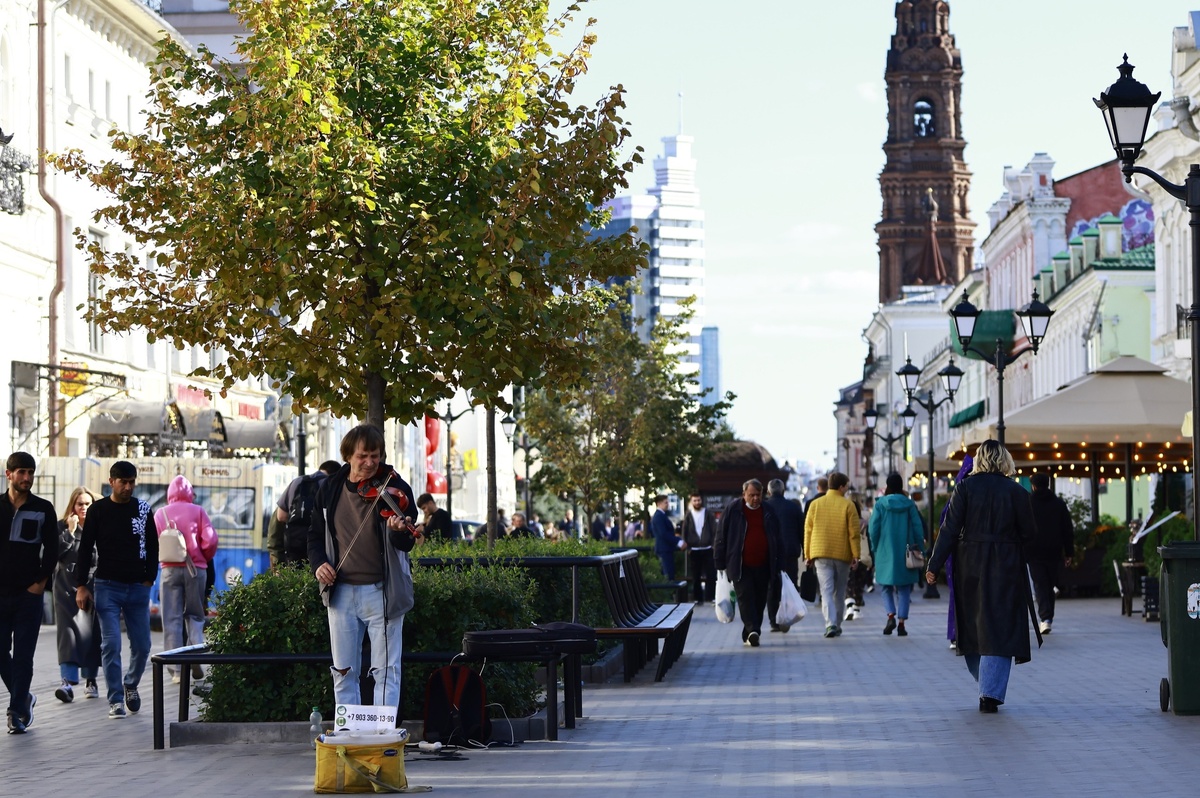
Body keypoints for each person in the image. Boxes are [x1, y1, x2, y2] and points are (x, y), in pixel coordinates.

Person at [309, 425, 418, 712]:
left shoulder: (395, 487)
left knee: (386, 670)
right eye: (363, 456)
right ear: (348, 456)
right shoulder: (329, 488)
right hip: (341, 592)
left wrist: (398, 530)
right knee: (343, 670)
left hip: (382, 590)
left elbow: (405, 543)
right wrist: (319, 563)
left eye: (376, 456)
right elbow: (314, 535)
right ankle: (349, 734)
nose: (371, 463)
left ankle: (382, 736)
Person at [926, 440, 1039, 713]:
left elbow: (949, 529)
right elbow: (1030, 536)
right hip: (1006, 564)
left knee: (974, 623)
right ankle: (990, 690)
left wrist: (934, 564)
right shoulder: (1017, 492)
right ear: (1004, 460)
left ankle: (986, 683)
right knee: (1000, 624)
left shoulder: (964, 488)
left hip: (970, 563)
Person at [76, 460, 158, 719]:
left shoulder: (143, 509)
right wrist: (81, 585)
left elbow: (154, 546)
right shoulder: (98, 510)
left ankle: (130, 683)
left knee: (143, 645)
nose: (128, 487)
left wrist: (149, 578)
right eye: (123, 482)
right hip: (107, 586)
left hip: (137, 587)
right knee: (110, 644)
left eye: (132, 482)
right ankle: (116, 699)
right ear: (111, 482)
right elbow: (85, 547)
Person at [0, 452, 58, 734]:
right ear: (8, 474)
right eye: (21, 472)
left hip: (28, 595)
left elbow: (52, 551)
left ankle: (16, 713)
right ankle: (23, 697)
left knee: (23, 655)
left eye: (30, 473)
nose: (26, 478)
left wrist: (39, 584)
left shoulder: (44, 508)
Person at [154, 475, 218, 683]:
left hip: (169, 570)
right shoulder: (199, 511)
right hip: (195, 569)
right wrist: (202, 558)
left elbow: (153, 543)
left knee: (171, 618)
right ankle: (197, 656)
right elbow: (210, 540)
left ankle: (177, 670)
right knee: (195, 616)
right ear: (190, 492)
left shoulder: (160, 513)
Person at [714, 479, 784, 648]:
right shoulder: (734, 509)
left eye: (758, 495)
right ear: (744, 494)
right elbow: (721, 535)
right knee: (745, 597)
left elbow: (777, 538)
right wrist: (719, 560)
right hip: (740, 564)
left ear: (763, 494)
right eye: (751, 495)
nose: (754, 498)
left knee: (760, 600)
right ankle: (753, 630)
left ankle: (750, 633)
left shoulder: (768, 511)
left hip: (764, 564)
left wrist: (779, 562)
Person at [54, 487, 101, 703]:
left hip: (91, 587)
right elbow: (53, 554)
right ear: (73, 505)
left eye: (87, 504)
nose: (83, 508)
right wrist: (69, 533)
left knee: (90, 634)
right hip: (65, 588)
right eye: (80, 504)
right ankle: (67, 682)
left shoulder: (98, 528)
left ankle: (90, 679)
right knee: (68, 634)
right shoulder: (62, 527)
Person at [803, 471, 860, 638]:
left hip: (821, 553)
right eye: (846, 487)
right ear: (841, 487)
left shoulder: (815, 504)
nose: (847, 490)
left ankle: (830, 624)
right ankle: (838, 624)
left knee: (826, 591)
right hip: (843, 554)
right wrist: (856, 554)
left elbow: (808, 530)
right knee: (840, 591)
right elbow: (854, 533)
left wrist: (807, 554)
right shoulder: (848, 505)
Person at [868, 473, 924, 637]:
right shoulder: (910, 505)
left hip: (885, 551)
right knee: (904, 588)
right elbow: (917, 528)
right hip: (906, 552)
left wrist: (875, 547)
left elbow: (873, 530)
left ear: (887, 486)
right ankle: (901, 623)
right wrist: (920, 548)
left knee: (885, 587)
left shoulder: (880, 505)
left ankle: (890, 615)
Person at [1027, 473, 1074, 635]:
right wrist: (1069, 552)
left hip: (1034, 552)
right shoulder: (1059, 504)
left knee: (1040, 584)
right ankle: (1048, 618)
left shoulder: (1029, 503)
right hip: (1054, 552)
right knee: (1049, 585)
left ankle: (1045, 618)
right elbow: (1068, 529)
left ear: (1033, 486)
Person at [270, 460, 340, 566]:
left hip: (294, 549)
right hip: (320, 553)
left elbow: (281, 516)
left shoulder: (297, 482)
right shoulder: (331, 486)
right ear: (336, 474)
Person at [764, 479, 804, 632]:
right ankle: (786, 618)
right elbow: (801, 530)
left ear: (768, 491)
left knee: (771, 587)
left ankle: (774, 621)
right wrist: (806, 551)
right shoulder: (793, 507)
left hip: (769, 553)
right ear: (783, 491)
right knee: (789, 585)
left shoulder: (764, 507)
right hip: (789, 552)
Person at [680, 493, 717, 604]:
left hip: (707, 548)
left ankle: (710, 597)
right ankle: (697, 598)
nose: (697, 502)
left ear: (701, 500)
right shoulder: (688, 515)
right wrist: (688, 547)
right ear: (692, 502)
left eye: (698, 500)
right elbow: (684, 531)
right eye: (694, 500)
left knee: (711, 574)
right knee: (695, 576)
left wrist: (713, 545)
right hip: (694, 549)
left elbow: (714, 530)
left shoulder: (708, 513)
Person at [651, 495, 684, 579]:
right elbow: (663, 534)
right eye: (665, 502)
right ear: (659, 504)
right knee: (668, 575)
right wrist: (678, 541)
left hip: (665, 549)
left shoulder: (661, 515)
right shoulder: (659, 516)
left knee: (669, 573)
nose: (667, 504)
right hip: (664, 549)